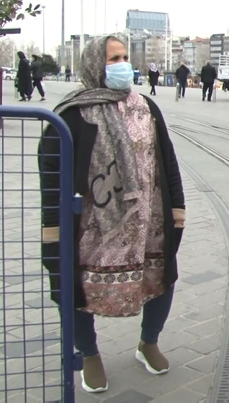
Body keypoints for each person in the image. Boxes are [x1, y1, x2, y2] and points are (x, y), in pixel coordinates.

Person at [37, 35, 185, 393]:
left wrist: (178, 208)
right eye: (112, 59)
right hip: (93, 228)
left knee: (162, 279)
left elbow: (166, 160)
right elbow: (51, 174)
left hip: (148, 222)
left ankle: (148, 343)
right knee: (77, 288)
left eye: (123, 56)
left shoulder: (146, 107)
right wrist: (52, 228)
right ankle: (88, 353)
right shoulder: (72, 114)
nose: (122, 65)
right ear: (93, 66)